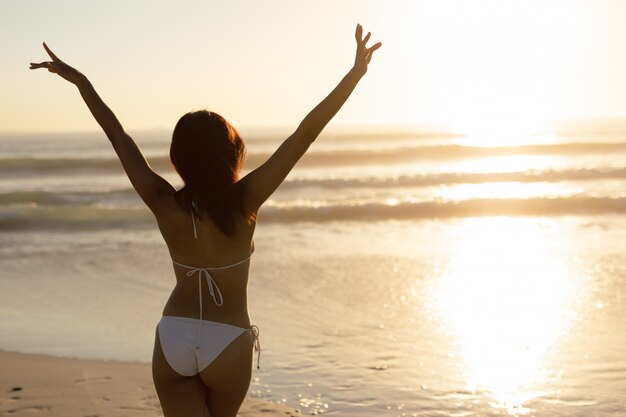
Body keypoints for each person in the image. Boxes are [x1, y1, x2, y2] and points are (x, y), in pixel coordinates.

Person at [30, 24, 381, 417]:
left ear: (179, 156)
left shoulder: (163, 202)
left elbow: (118, 135)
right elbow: (305, 134)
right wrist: (353, 76)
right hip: (228, 341)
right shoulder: (246, 200)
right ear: (231, 153)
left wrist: (81, 82)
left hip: (174, 336)